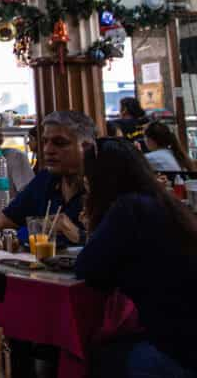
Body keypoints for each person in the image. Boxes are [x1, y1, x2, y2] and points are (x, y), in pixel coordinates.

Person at [75, 138, 197, 376]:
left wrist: (92, 229)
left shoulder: (128, 209)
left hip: (172, 351)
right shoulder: (165, 204)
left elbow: (88, 269)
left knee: (90, 356)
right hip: (187, 341)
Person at [0, 111, 93, 247]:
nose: (48, 149)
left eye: (60, 143)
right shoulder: (46, 178)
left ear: (86, 147)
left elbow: (119, 246)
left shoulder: (105, 184)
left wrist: (78, 235)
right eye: (45, 141)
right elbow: (5, 220)